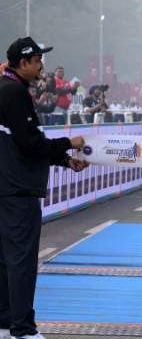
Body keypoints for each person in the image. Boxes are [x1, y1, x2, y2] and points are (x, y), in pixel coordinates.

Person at [0, 37, 89, 339]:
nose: (41, 67)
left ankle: (4, 324)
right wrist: (69, 144)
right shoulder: (13, 92)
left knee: (5, 261)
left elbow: (20, 142)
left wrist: (63, 160)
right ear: (23, 63)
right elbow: (30, 142)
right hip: (18, 190)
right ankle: (23, 330)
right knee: (22, 262)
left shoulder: (7, 88)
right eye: (37, 61)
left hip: (5, 187)